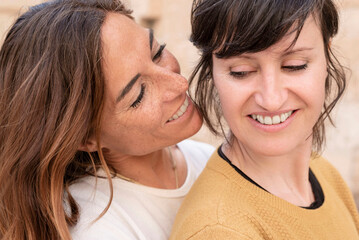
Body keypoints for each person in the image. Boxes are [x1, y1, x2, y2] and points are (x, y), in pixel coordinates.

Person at [0, 0, 215, 239]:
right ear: (86, 138)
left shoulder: (205, 157)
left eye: (156, 52)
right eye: (139, 95)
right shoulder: (99, 229)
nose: (180, 83)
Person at [170, 0, 359, 239]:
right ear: (212, 73)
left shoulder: (323, 174)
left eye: (294, 66)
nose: (271, 100)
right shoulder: (219, 230)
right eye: (241, 72)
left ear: (327, 54)